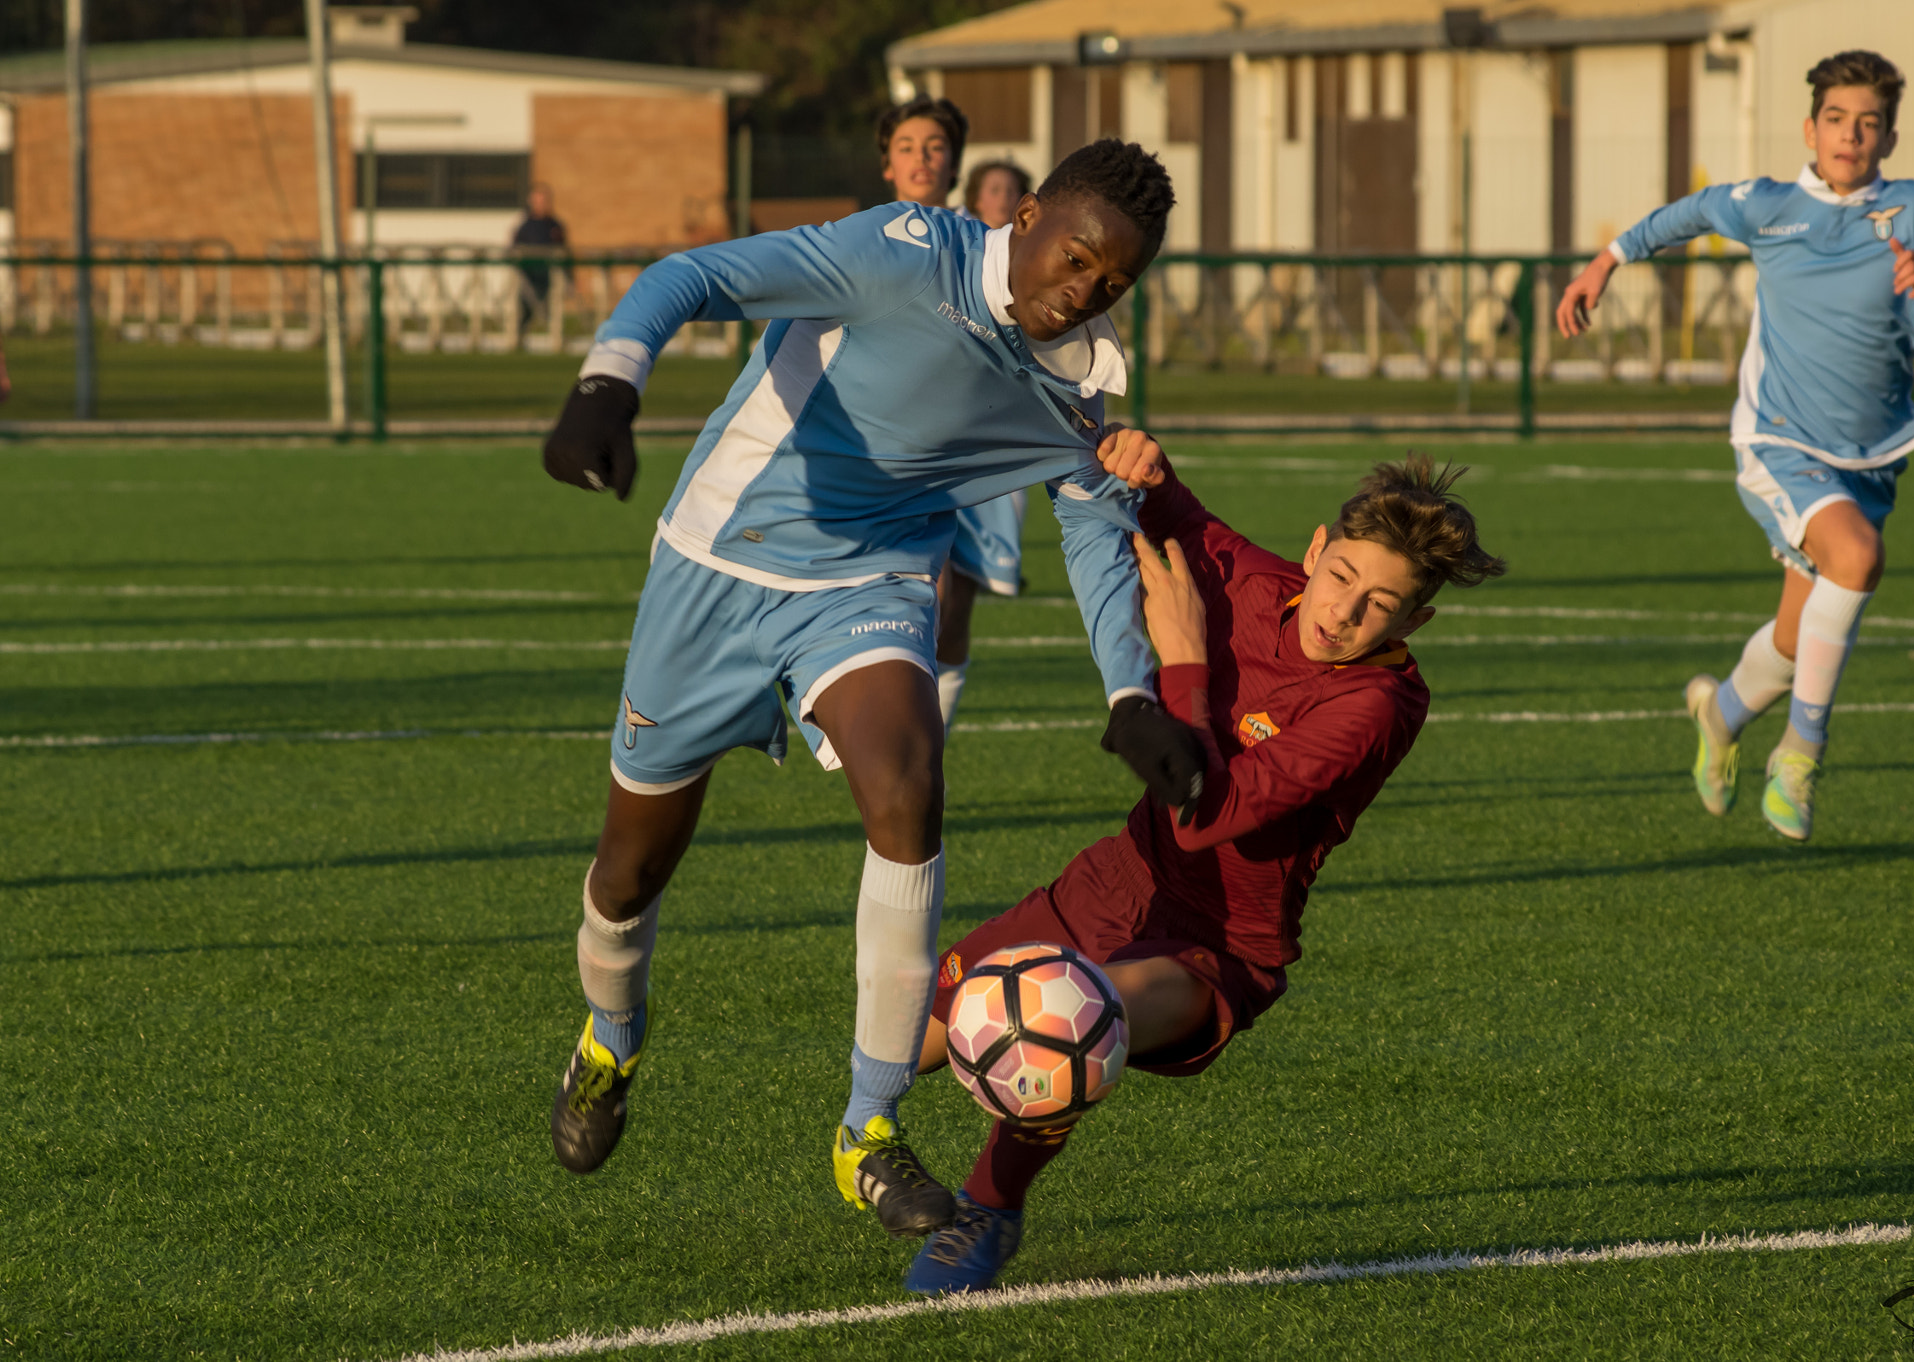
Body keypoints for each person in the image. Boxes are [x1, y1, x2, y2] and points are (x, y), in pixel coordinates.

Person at [537, 140, 1206, 1245]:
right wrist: (607, 389)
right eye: (1075, 256)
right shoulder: (901, 254)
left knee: (906, 789)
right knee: (629, 868)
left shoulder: (1085, 378)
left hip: (867, 585)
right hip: (714, 568)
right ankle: (611, 1035)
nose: (1081, 290)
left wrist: (1130, 697)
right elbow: (686, 276)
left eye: (1111, 281)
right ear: (1026, 215)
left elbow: (1092, 531)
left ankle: (868, 1130)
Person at [901, 449, 1508, 1294]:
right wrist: (1144, 459)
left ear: (1413, 626)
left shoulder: (1375, 707)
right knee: (906, 1035)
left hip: (1219, 942)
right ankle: (863, 1142)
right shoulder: (1258, 583)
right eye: (1340, 577)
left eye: (1382, 606)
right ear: (1315, 548)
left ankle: (990, 1207)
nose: (1343, 613)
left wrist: (1182, 658)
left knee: (1073, 1020)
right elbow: (1176, 513)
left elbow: (1205, 819)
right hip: (1116, 881)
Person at [1555, 50, 1914, 842]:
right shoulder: (1767, 206)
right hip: (1779, 438)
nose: (1851, 135)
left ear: (1889, 138)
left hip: (1876, 452)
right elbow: (1684, 215)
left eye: (1869, 123)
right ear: (1811, 127)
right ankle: (1799, 754)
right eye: (1837, 119)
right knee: (1857, 559)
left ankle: (1720, 715)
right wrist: (1605, 263)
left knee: (1800, 638)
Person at [875, 98, 1040, 732]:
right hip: (894, 445)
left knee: (954, 606)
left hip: (977, 444)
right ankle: (893, 746)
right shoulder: (867, 236)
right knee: (925, 595)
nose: (922, 158)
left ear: (953, 164)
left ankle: (926, 755)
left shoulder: (990, 249)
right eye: (907, 146)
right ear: (886, 163)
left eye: (935, 147)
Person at [513, 182, 568, 339]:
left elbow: (563, 251)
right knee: (524, 310)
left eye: (543, 200)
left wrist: (570, 277)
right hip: (528, 276)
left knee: (552, 311)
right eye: (537, 201)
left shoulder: (555, 226)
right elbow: (515, 249)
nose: (540, 205)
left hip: (549, 277)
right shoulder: (524, 226)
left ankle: (555, 339)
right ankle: (518, 339)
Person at [964, 161, 1031, 233]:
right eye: (995, 190)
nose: (1004, 196)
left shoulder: (1034, 239)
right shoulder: (962, 238)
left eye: (1010, 190)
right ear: (976, 199)